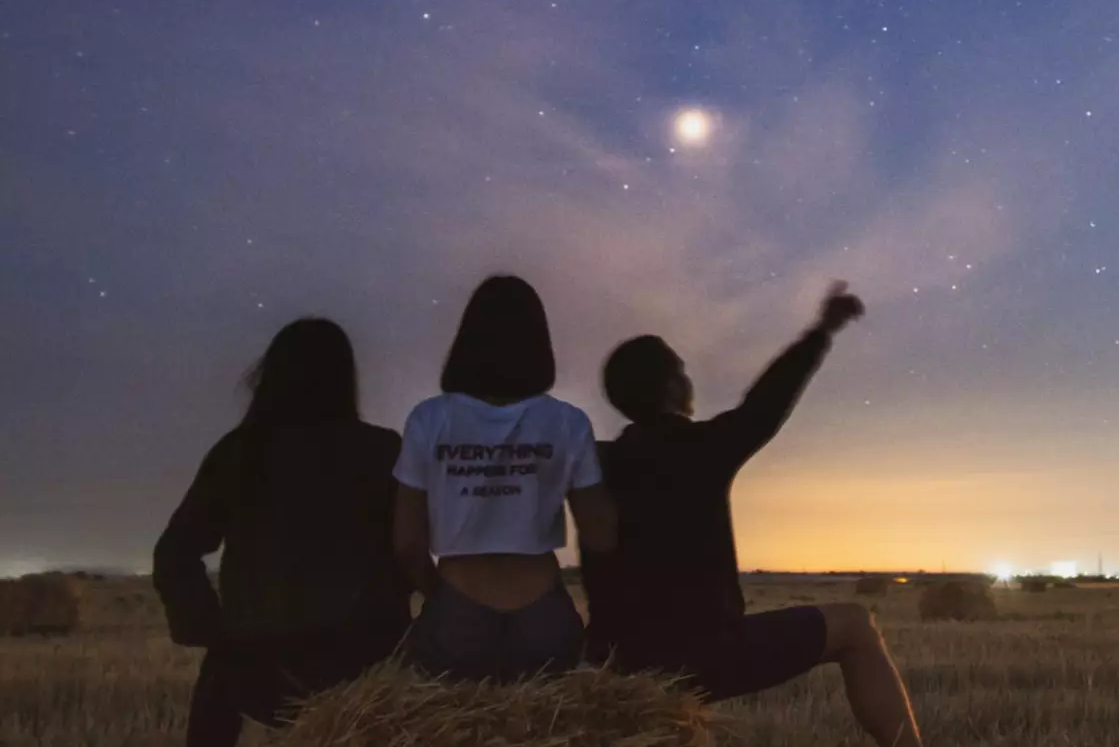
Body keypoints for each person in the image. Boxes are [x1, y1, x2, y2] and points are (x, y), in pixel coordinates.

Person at [584, 282, 923, 747]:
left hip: (618, 662)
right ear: (670, 387)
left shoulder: (594, 462)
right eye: (682, 372)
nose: (689, 380)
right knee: (855, 624)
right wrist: (822, 330)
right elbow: (767, 402)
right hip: (704, 656)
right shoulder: (702, 449)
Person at [154, 319, 412, 747]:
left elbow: (174, 554)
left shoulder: (237, 453)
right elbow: (411, 549)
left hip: (257, 668)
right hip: (367, 665)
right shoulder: (382, 452)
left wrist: (215, 635)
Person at [393, 274, 617, 683]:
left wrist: (438, 597)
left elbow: (407, 542)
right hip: (543, 611)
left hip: (457, 607)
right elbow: (601, 535)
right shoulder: (568, 422)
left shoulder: (429, 419)